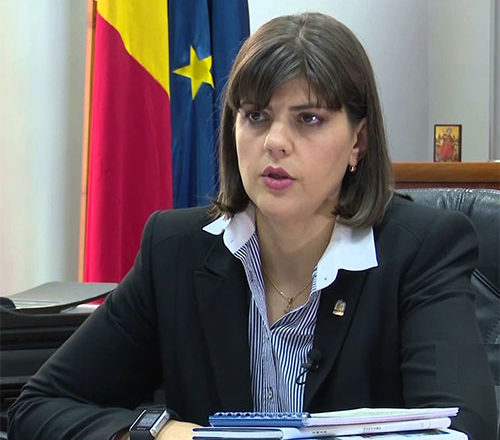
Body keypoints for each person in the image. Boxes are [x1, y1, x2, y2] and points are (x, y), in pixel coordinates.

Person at [7, 12, 497, 440]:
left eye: (309, 119)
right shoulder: (174, 251)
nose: (275, 142)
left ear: (358, 142)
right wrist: (162, 433)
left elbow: (461, 429)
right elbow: (40, 406)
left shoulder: (422, 251)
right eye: (256, 116)